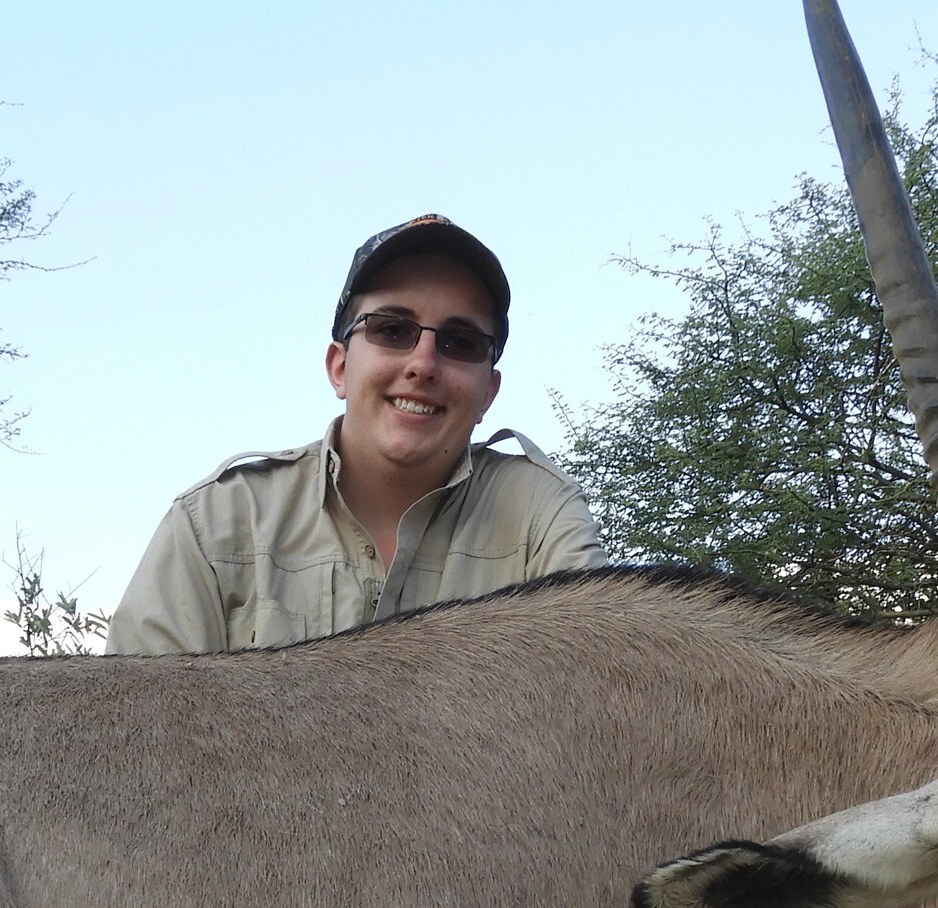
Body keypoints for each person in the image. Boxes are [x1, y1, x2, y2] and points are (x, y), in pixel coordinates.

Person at [107, 214, 605, 654]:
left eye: (460, 342)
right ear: (340, 367)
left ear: (488, 392)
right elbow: (134, 728)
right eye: (392, 330)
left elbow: (600, 695)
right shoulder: (215, 523)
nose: (423, 364)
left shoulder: (541, 513)